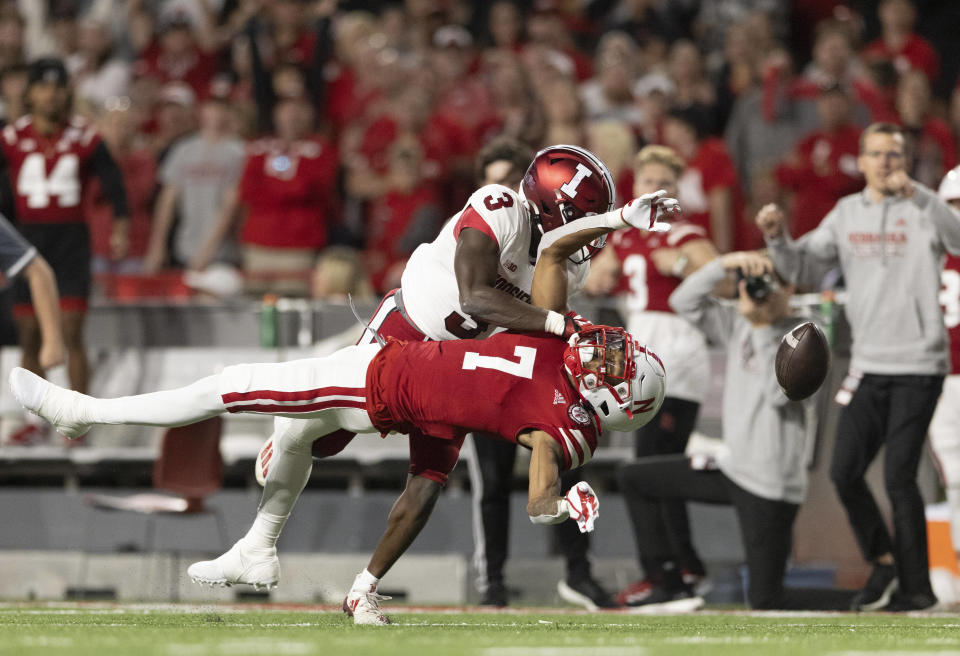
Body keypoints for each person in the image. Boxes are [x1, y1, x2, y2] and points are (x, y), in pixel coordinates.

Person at [8, 208, 669, 625]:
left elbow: (539, 495)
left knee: (232, 387)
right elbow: (553, 252)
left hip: (382, 384)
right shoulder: (560, 339)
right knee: (417, 488)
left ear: (613, 404)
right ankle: (340, 580)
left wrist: (567, 500)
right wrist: (625, 217)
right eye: (622, 348)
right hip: (430, 400)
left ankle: (84, 413)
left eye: (618, 366)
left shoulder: (565, 428)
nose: (610, 348)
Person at [246, 142, 679, 621]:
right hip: (408, 327)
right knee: (328, 439)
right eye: (575, 214)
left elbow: (538, 317)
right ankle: (287, 436)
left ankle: (362, 591)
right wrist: (564, 321)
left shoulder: (569, 262)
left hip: (455, 363)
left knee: (429, 480)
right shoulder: (500, 208)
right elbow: (476, 298)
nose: (584, 234)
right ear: (549, 204)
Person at [756, 122, 960, 612]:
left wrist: (921, 196)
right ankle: (885, 559)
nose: (885, 162)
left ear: (905, 160)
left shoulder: (925, 206)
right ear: (863, 161)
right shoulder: (846, 213)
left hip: (920, 363)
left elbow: (958, 241)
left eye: (894, 153)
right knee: (845, 472)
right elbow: (802, 266)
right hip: (868, 364)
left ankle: (917, 591)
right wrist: (777, 237)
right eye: (876, 153)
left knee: (898, 477)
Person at [618, 250, 827, 610]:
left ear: (789, 288)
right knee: (635, 478)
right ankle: (670, 583)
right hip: (733, 467)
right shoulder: (739, 323)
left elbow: (777, 396)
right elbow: (681, 300)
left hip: (769, 483)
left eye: (772, 282)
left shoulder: (807, 336)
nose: (762, 290)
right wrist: (725, 264)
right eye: (756, 281)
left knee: (766, 601)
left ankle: (861, 601)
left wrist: (761, 328)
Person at [463, 138, 612, 609]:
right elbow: (476, 299)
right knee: (490, 481)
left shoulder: (557, 253)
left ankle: (579, 572)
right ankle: (492, 581)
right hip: (483, 365)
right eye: (497, 179)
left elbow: (550, 309)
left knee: (563, 458)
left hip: (534, 364)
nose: (507, 192)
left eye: (511, 177)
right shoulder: (487, 223)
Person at [586, 145, 718, 605]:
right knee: (659, 469)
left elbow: (721, 275)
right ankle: (684, 566)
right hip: (645, 358)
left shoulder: (683, 233)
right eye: (648, 182)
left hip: (676, 355)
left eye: (666, 183)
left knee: (648, 467)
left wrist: (680, 266)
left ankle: (665, 576)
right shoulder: (625, 238)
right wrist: (600, 275)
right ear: (635, 188)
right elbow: (594, 277)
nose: (656, 190)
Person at [0, 58, 128, 442]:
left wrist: (120, 228)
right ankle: (31, 421)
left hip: (71, 239)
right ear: (31, 93)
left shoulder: (84, 136)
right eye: (43, 87)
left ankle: (77, 419)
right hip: (26, 239)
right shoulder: (10, 137)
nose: (51, 95)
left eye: (58, 88)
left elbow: (113, 183)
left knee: (72, 330)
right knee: (29, 333)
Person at [928, 166, 960, 590]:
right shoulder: (927, 251)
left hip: (940, 376)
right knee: (953, 477)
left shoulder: (928, 252)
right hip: (939, 376)